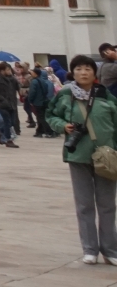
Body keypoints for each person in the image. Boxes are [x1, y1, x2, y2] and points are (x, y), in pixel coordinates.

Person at [46, 54, 117, 265]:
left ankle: (111, 249)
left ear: (94, 73)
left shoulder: (104, 94)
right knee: (84, 204)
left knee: (107, 204)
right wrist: (62, 126)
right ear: (73, 72)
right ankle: (89, 249)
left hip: (106, 155)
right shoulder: (65, 94)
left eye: (87, 69)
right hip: (78, 154)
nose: (83, 73)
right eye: (78, 69)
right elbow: (51, 115)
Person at [0, 63, 21, 148]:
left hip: (12, 103)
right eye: (8, 70)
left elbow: (18, 87)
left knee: (12, 122)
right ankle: (8, 140)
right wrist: (1, 98)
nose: (10, 71)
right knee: (7, 121)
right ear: (2, 71)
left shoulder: (12, 79)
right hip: (2, 104)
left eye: (10, 69)